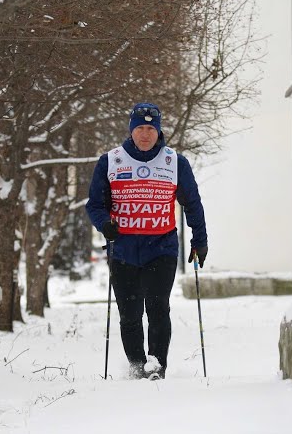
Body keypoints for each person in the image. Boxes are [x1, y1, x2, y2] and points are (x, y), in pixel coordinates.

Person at [84, 102, 208, 380]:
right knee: (129, 314)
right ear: (131, 130)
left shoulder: (175, 162)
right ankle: (137, 365)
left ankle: (156, 367)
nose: (145, 134)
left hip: (161, 248)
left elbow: (193, 204)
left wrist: (200, 239)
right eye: (140, 127)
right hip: (123, 249)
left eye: (151, 128)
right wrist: (105, 224)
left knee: (157, 307)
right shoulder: (111, 161)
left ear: (158, 130)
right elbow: (94, 205)